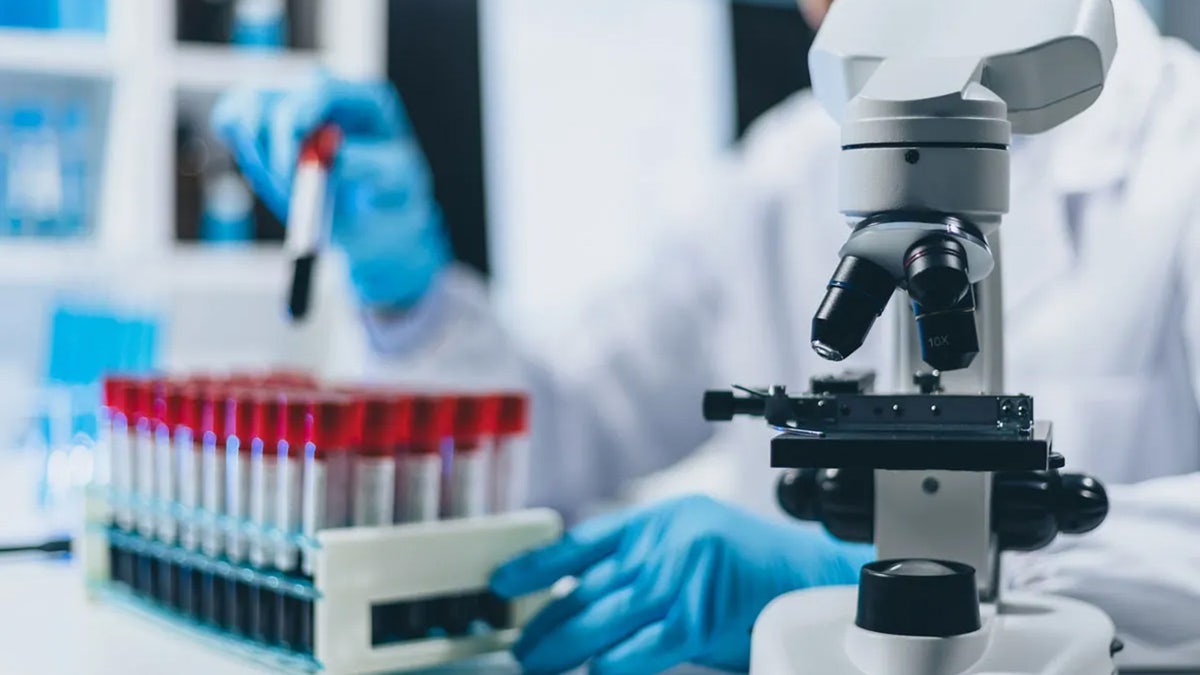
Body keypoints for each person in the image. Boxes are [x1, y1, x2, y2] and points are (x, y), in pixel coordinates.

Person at [214, 0, 1200, 671]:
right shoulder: (791, 168)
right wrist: (406, 293)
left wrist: (938, 591)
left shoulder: (1182, 147)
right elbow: (565, 421)